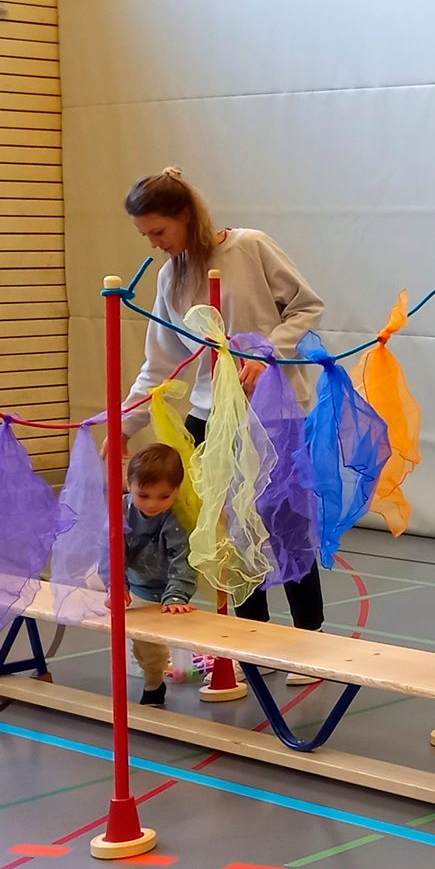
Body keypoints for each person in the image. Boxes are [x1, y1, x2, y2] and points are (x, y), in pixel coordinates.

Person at [121, 168, 326, 683]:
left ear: (186, 216)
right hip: (210, 416)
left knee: (285, 525)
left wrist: (268, 352)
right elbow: (160, 364)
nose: (154, 243)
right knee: (230, 531)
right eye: (145, 235)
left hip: (273, 411)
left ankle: (310, 640)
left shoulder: (250, 247)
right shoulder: (170, 278)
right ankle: (251, 641)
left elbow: (306, 306)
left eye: (158, 231)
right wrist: (125, 423)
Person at [123, 444, 198, 708]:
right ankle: (153, 678)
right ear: (129, 485)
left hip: (168, 589)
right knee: (144, 645)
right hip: (137, 585)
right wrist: (116, 585)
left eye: (164, 496)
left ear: (176, 491)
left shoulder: (175, 517)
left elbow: (184, 558)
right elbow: (109, 550)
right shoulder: (122, 509)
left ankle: (159, 680)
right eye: (143, 495)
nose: (153, 504)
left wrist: (176, 594)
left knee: (156, 642)